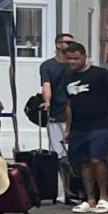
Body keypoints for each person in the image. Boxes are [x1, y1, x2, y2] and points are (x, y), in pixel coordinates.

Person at [57, 41, 108, 213]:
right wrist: (67, 129)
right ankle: (89, 198)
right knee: (83, 163)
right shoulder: (67, 78)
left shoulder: (100, 74)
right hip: (78, 126)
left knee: (97, 159)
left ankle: (104, 197)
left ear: (84, 56)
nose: (72, 62)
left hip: (100, 124)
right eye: (69, 59)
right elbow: (68, 105)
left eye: (76, 58)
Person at [38, 32, 78, 200]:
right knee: (58, 154)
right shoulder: (48, 66)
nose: (69, 45)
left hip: (75, 113)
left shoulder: (74, 65)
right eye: (66, 42)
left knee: (74, 154)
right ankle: (63, 191)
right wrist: (47, 101)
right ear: (57, 44)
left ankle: (75, 189)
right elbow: (46, 85)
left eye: (71, 42)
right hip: (56, 114)